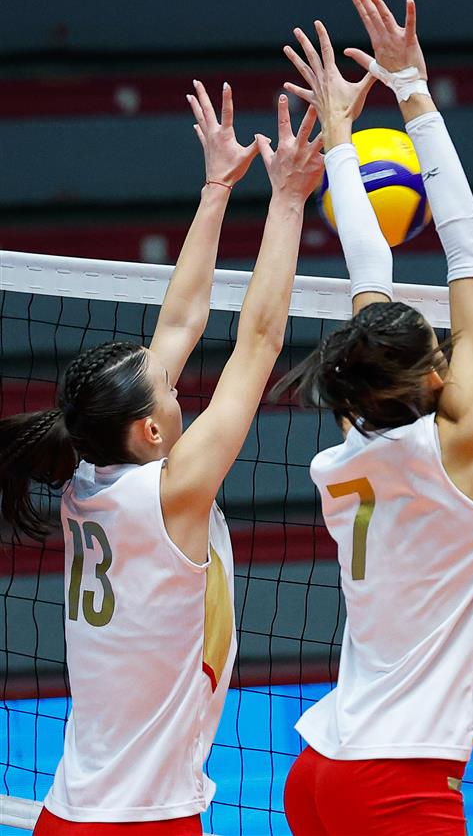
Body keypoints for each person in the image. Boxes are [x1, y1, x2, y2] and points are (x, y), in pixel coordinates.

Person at [0, 82, 323, 834]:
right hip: (145, 821)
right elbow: (259, 341)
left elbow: (179, 322)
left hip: (69, 812)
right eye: (171, 391)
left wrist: (217, 189)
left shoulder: (87, 473)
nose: (179, 390)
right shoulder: (173, 492)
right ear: (149, 430)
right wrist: (287, 199)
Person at [271, 0, 473, 835]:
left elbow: (369, 276)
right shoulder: (461, 445)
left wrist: (343, 134)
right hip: (399, 782)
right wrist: (412, 90)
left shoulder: (355, 431)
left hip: (322, 770)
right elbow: (468, 246)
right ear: (436, 373)